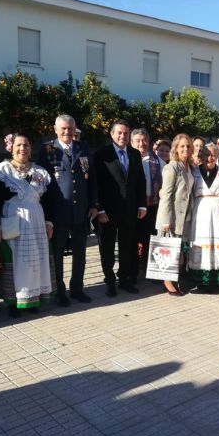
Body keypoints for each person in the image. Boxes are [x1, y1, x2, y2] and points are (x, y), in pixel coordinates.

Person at [0, 134, 53, 316]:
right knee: (14, 262)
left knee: (35, 261)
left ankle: (32, 299)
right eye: (19, 145)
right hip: (13, 221)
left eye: (26, 145)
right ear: (11, 147)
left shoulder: (40, 172)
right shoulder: (1, 172)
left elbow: (48, 200)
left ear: (31, 148)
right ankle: (12, 302)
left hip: (37, 222)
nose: (22, 148)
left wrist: (49, 222)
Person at [38, 114, 98, 307]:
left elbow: (92, 179)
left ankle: (78, 289)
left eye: (70, 128)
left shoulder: (83, 148)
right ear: (55, 129)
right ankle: (59, 291)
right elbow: (41, 185)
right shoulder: (47, 150)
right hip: (58, 213)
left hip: (80, 210)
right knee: (57, 255)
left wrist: (94, 204)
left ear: (75, 130)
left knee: (80, 253)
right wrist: (46, 215)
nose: (67, 132)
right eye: (63, 128)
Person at [94, 120, 146, 297]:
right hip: (107, 212)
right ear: (112, 134)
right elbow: (97, 184)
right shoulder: (102, 154)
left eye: (125, 133)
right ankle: (109, 280)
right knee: (107, 247)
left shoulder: (134, 154)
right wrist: (99, 209)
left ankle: (124, 279)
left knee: (127, 246)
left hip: (130, 210)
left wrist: (141, 204)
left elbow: (140, 181)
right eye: (119, 133)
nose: (122, 136)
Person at [188, 143, 219, 293]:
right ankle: (201, 282)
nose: (210, 158)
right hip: (199, 213)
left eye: (213, 154)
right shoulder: (193, 172)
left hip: (218, 213)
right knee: (200, 244)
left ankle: (218, 282)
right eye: (206, 154)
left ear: (218, 156)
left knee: (217, 245)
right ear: (201, 156)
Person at [156, 134, 196, 295]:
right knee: (168, 250)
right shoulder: (172, 167)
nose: (185, 149)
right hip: (172, 216)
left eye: (188, 146)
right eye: (182, 146)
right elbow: (166, 194)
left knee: (178, 251)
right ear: (176, 149)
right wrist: (165, 219)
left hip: (185, 216)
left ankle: (174, 278)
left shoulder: (189, 167)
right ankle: (167, 282)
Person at [131, 128, 165, 279]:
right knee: (132, 239)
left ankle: (148, 269)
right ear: (132, 142)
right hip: (133, 207)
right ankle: (132, 270)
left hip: (153, 206)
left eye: (144, 140)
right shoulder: (129, 159)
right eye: (138, 140)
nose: (141, 143)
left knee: (150, 239)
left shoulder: (158, 161)